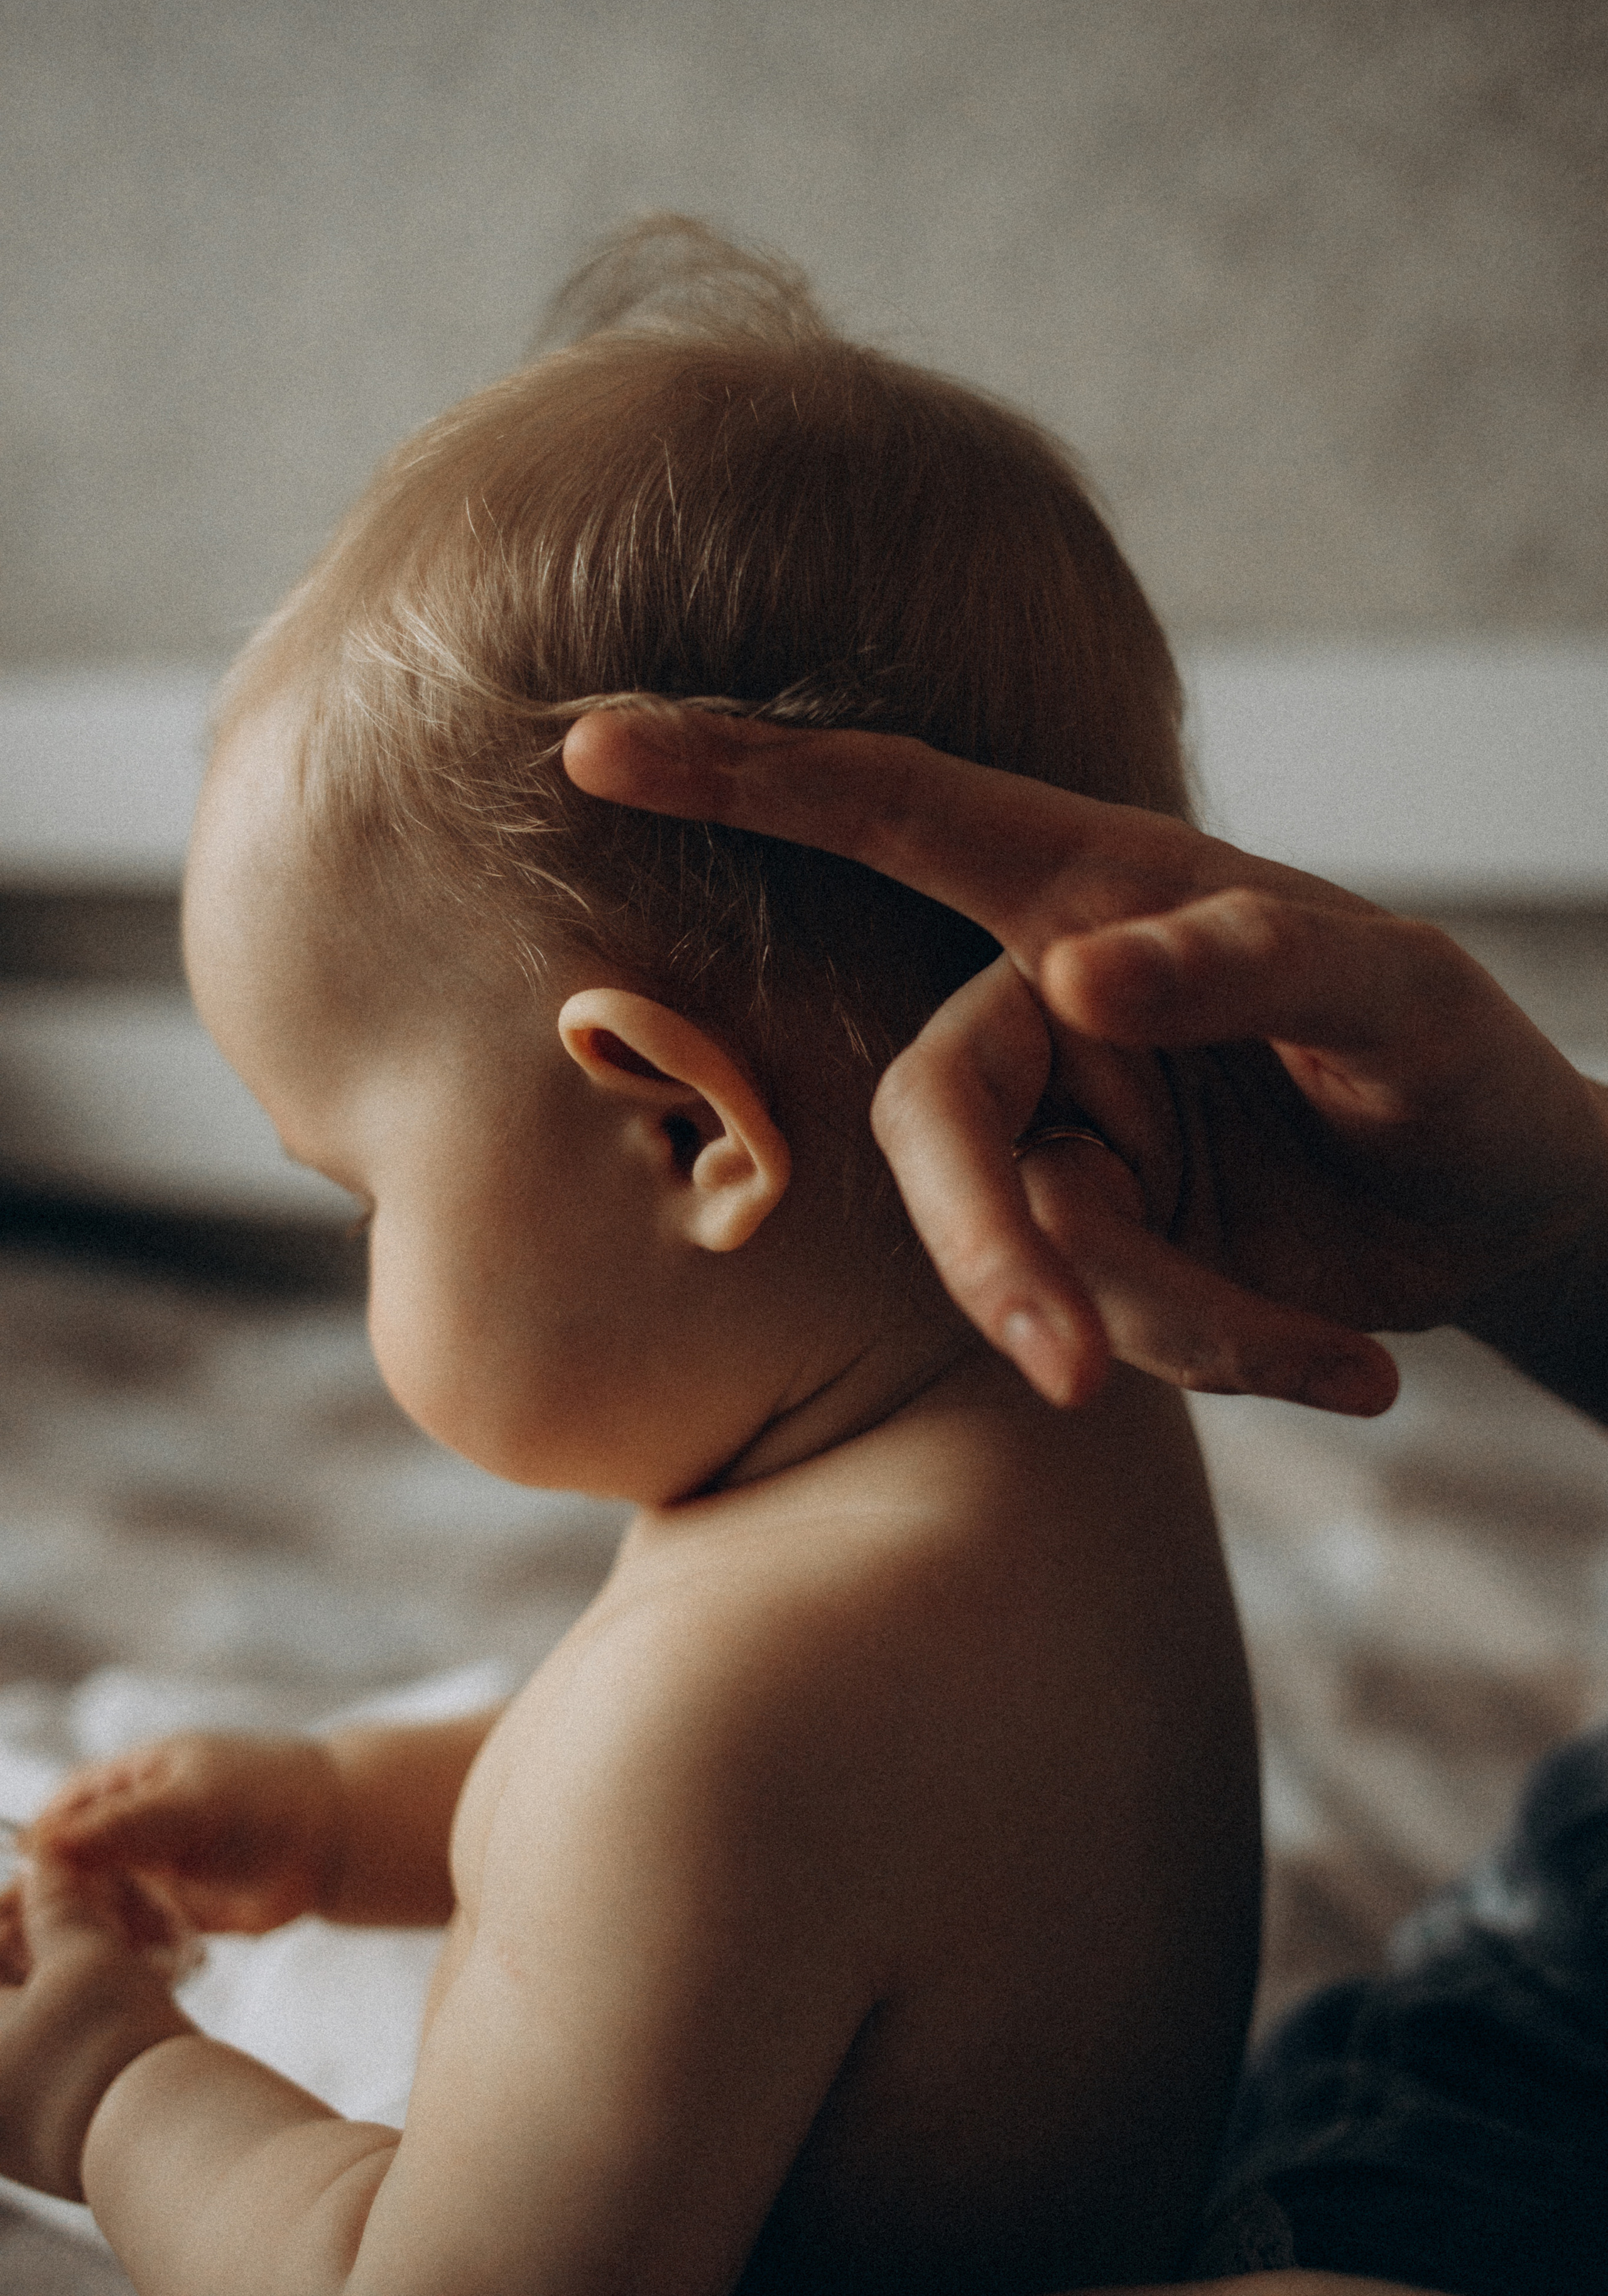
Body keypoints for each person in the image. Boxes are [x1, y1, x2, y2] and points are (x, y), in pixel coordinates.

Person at [0, 220, 1264, 2295]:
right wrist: (336, 1811)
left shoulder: (719, 1718)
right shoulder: (1035, 1453)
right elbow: (751, 1869)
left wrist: (108, 2083)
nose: (368, 1257)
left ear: (683, 1131)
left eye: (363, 1193)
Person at [557, 693, 1608, 2296]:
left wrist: (150, 2094)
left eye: (361, 1195)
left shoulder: (774, 1655)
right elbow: (726, 1843)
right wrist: (1568, 1238)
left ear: (679, 1124)